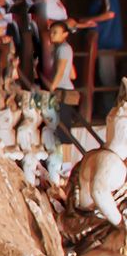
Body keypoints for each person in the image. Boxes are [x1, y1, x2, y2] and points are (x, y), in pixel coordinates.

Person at [45, 21, 78, 182]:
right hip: (64, 87)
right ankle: (63, 163)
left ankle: (66, 164)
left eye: (56, 32)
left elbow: (60, 70)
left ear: (65, 34)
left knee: (64, 128)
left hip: (62, 91)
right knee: (61, 126)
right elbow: (72, 74)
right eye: (51, 32)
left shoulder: (63, 49)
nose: (52, 35)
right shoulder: (61, 49)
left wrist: (51, 88)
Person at [87, 0, 121, 107]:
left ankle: (109, 110)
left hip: (106, 41)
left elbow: (110, 14)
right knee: (101, 76)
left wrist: (87, 20)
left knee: (107, 77)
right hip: (101, 42)